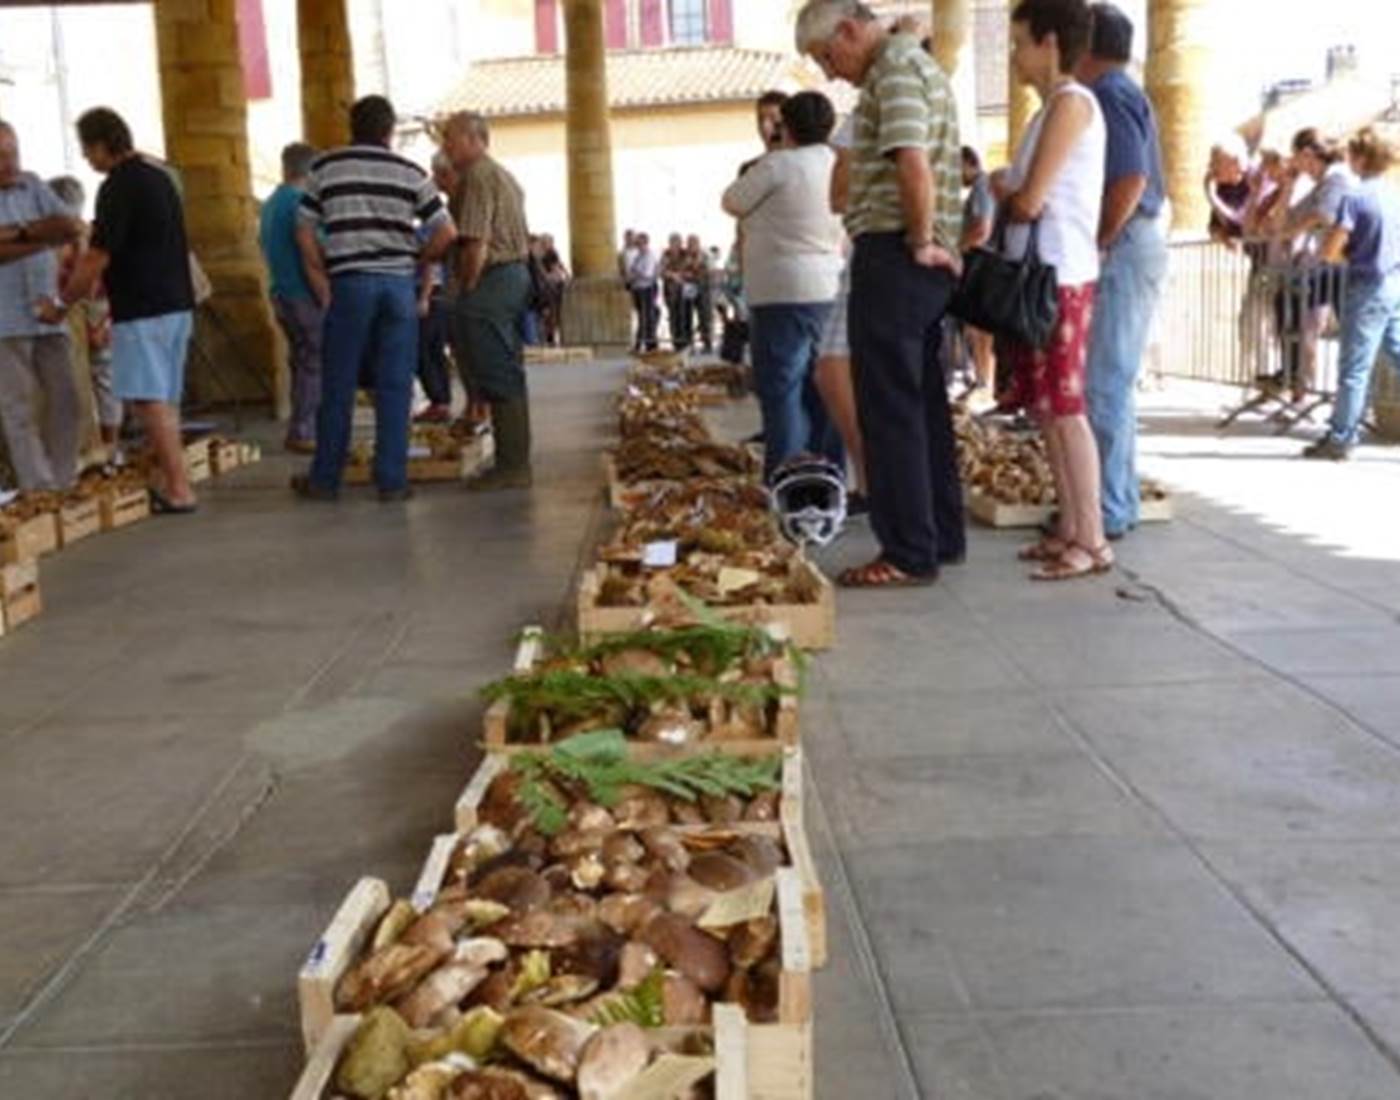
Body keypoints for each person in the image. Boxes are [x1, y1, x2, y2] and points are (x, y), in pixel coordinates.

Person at [795, 0, 966, 589]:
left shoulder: (893, 71)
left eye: (826, 54)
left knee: (889, 407)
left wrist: (919, 240)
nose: (829, 70)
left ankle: (908, 549)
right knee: (922, 405)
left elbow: (911, 162)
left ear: (848, 29)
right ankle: (939, 534)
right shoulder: (912, 64)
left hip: (896, 253)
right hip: (909, 255)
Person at [292, 95, 455, 502]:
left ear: (353, 126)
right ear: (389, 131)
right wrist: (415, 257)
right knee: (396, 385)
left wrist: (324, 274)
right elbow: (446, 231)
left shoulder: (324, 169)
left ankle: (326, 480)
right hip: (398, 287)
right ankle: (392, 480)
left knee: (339, 383)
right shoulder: (410, 173)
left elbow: (304, 229)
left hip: (349, 284)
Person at [1001, 0, 1110, 580]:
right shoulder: (1049, 111)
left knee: (1066, 411)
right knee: (1047, 410)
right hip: (1042, 277)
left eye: (1019, 41)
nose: (1015, 54)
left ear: (1048, 41)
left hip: (1059, 277)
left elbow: (1028, 200)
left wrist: (1005, 190)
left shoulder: (1071, 104)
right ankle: (1070, 524)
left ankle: (1091, 536)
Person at [42, 109, 196, 511]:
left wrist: (61, 304)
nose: (88, 160)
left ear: (98, 145)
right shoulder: (159, 178)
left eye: (87, 150)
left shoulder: (118, 187)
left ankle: (179, 489)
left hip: (143, 307)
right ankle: (170, 476)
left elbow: (96, 257)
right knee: (166, 397)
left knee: (149, 399)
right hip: (177, 302)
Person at [1076, 2, 1169, 541]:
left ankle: (1108, 507)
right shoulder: (1122, 90)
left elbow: (1130, 180)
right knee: (1110, 383)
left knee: (1103, 384)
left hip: (1127, 244)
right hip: (1135, 242)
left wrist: (1101, 239)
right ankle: (1116, 499)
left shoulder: (1108, 94)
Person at [722, 91, 845, 479]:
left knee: (783, 391)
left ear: (785, 126)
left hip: (780, 292)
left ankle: (786, 479)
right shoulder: (838, 163)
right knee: (826, 389)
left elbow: (732, 201)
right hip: (828, 287)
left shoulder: (777, 165)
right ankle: (829, 475)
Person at [440, 110, 535, 491]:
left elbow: (476, 242)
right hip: (512, 276)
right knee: (504, 362)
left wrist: (465, 288)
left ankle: (513, 465)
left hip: (494, 279)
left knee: (495, 366)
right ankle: (513, 458)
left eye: (450, 138)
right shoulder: (502, 175)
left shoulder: (478, 176)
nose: (445, 146)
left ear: (472, 138)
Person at [1302, 129, 1400, 460]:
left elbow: (1331, 249)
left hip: (1366, 284)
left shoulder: (1355, 199)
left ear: (1361, 158)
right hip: (1395, 283)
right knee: (1397, 352)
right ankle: (1342, 434)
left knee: (1355, 368)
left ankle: (1341, 437)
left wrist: (1344, 256)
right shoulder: (1396, 195)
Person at [0, 120, 84, 492]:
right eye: (0, 156)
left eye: (12, 152)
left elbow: (70, 226)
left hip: (48, 313)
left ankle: (62, 481)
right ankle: (38, 487)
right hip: (5, 319)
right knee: (18, 409)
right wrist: (41, 233)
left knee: (66, 399)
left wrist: (17, 234)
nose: (9, 162)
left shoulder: (33, 184)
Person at [813, 109, 868, 509]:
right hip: (865, 253)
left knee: (835, 368)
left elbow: (838, 197)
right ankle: (870, 481)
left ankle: (875, 482)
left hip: (880, 253)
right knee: (833, 369)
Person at [49, 174, 121, 458]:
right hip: (101, 312)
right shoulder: (94, 235)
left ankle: (93, 447)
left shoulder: (60, 244)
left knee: (82, 383)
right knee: (105, 380)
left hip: (80, 315)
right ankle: (108, 446)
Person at [259, 141, 322, 453]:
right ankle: (304, 430)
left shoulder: (271, 203)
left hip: (280, 293)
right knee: (314, 361)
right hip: (303, 293)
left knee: (300, 361)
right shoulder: (301, 203)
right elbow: (315, 249)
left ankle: (302, 423)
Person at [413, 150, 458, 425]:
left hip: (430, 293)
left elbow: (429, 262)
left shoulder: (432, 224)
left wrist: (423, 297)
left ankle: (439, 401)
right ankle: (442, 400)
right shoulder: (443, 217)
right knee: (434, 349)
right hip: (440, 292)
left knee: (423, 349)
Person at [958, 145, 998, 398]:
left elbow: (982, 229)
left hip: (984, 265)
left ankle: (985, 381)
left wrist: (957, 249)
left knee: (980, 329)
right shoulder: (981, 187)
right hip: (985, 264)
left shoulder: (983, 186)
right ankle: (984, 379)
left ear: (969, 162)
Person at [1205, 136, 1252, 246]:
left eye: (1216, 161)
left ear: (1234, 162)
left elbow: (1238, 225)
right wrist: (1220, 234)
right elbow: (1215, 226)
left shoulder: (1253, 181)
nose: (1210, 166)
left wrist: (1210, 194)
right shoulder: (1223, 188)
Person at [660, 233, 693, 350]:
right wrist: (673, 275)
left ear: (680, 243)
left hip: (685, 289)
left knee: (686, 314)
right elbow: (662, 271)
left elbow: (691, 270)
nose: (674, 245)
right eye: (672, 242)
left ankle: (688, 342)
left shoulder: (686, 254)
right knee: (674, 316)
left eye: (676, 242)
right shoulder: (666, 254)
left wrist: (681, 275)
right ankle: (676, 342)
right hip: (671, 290)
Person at [628, 232, 660, 351]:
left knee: (647, 318)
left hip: (647, 289)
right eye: (637, 243)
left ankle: (649, 344)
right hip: (638, 289)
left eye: (640, 243)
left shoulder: (649, 256)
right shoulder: (638, 256)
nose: (638, 245)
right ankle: (642, 343)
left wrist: (635, 273)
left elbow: (647, 274)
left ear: (645, 243)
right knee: (642, 317)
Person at [685, 234, 713, 354]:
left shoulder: (705, 255)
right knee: (688, 316)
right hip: (689, 288)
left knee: (704, 316)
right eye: (689, 243)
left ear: (698, 243)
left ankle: (707, 343)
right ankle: (689, 344)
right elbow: (683, 270)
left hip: (703, 288)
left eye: (693, 243)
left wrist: (697, 268)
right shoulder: (685, 256)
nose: (691, 245)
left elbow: (709, 270)